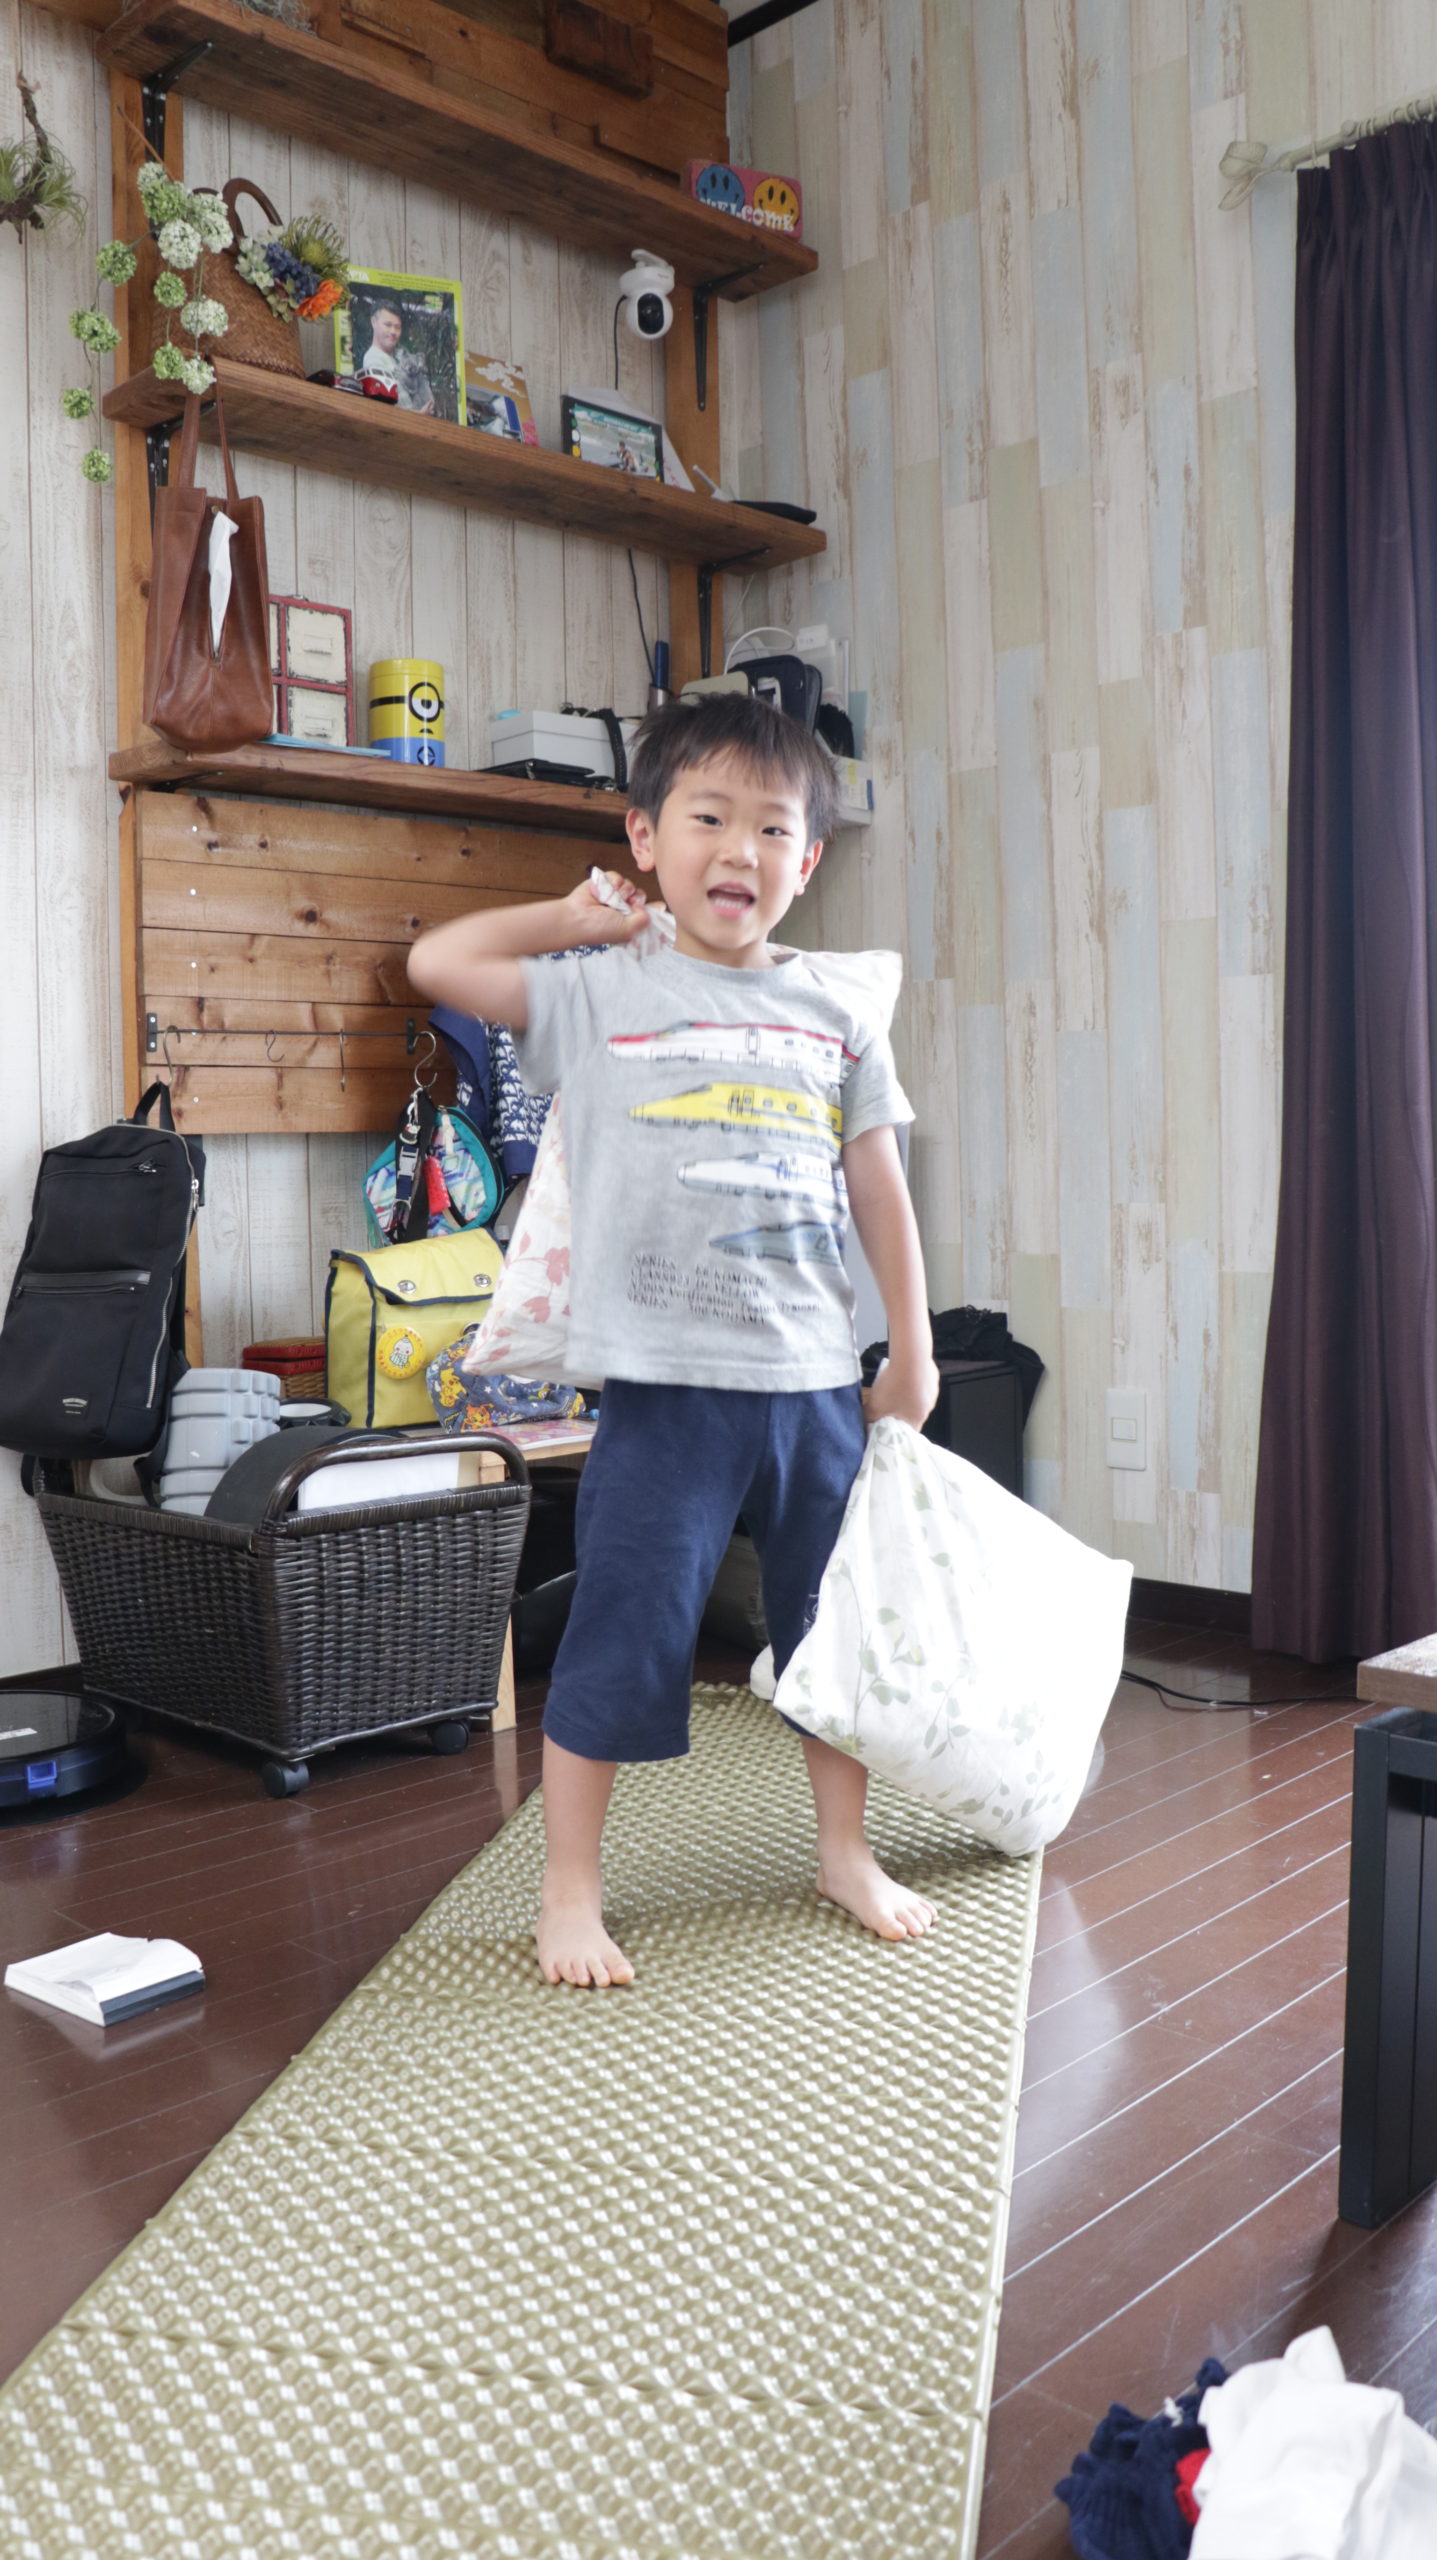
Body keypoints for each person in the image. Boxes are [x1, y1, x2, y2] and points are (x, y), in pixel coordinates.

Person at [408, 694, 940, 1988]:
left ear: (808, 860)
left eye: (773, 827)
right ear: (645, 838)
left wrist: (912, 1353)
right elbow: (438, 961)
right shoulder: (603, 989)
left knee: (829, 1637)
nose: (740, 848)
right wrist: (569, 919)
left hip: (814, 1388)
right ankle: (570, 1890)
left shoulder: (835, 1013)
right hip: (661, 1394)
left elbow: (879, 1188)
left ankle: (844, 1850)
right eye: (708, 817)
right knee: (625, 1631)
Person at [357, 298, 435, 415]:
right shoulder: (374, 360)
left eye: (397, 327)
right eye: (388, 325)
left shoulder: (397, 358)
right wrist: (418, 415)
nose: (393, 331)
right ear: (374, 322)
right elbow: (390, 408)